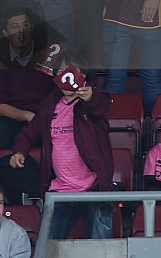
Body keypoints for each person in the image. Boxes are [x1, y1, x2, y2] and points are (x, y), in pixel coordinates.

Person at [9, 53, 114, 239]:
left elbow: (100, 105)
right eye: (61, 71)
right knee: (47, 246)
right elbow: (30, 131)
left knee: (102, 248)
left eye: (71, 71)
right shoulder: (50, 105)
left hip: (93, 190)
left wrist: (90, 97)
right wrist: (20, 150)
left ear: (83, 74)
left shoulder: (93, 99)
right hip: (60, 192)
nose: (66, 75)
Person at [0, 8, 56, 150]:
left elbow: (57, 94)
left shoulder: (48, 55)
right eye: (14, 27)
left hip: (44, 116)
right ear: (5, 33)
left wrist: (42, 116)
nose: (21, 31)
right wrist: (27, 116)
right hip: (14, 118)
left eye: (25, 25)